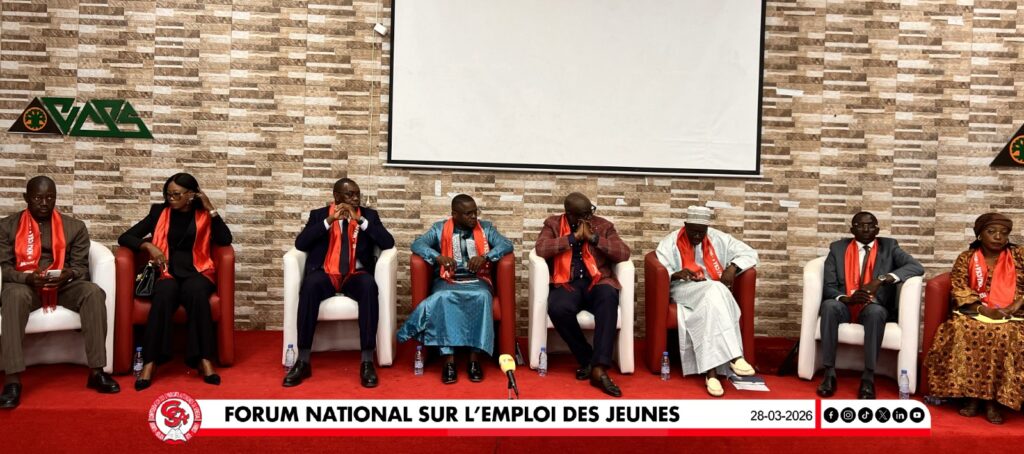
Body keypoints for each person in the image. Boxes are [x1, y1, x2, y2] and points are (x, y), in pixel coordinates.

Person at [0, 176, 120, 409]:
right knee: (13, 296)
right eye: (38, 198)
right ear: (26, 198)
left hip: (63, 285)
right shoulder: (6, 227)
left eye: (50, 197)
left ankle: (97, 371)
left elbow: (81, 267)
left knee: (93, 292)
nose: (45, 203)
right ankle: (12, 380)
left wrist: (69, 274)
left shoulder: (74, 227)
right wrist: (27, 278)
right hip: (25, 285)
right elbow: (3, 268)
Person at [118, 173, 232, 391]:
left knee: (197, 292)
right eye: (168, 194)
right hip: (165, 272)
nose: (171, 198)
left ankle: (204, 359)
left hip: (198, 271)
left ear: (191, 195)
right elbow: (125, 237)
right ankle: (150, 362)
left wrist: (211, 208)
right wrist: (148, 246)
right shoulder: (158, 212)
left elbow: (225, 240)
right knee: (164, 292)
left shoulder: (203, 214)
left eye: (177, 194)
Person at [283, 178, 394, 388]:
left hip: (355, 274)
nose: (355, 198)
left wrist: (361, 221)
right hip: (326, 273)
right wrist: (329, 220)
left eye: (357, 194)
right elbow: (301, 243)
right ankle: (303, 360)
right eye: (350, 194)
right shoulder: (318, 215)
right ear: (336, 196)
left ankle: (367, 361)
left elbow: (388, 242)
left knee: (369, 287)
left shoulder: (369, 216)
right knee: (309, 286)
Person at [397, 194, 513, 384]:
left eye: (475, 212)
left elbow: (506, 244)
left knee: (483, 296)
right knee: (443, 297)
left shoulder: (486, 228)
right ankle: (448, 361)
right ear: (455, 214)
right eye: (468, 214)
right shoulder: (440, 228)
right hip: (447, 279)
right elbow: (417, 244)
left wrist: (485, 256)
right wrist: (437, 257)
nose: (474, 217)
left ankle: (474, 360)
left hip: (478, 280)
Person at [925, 213, 1023, 425]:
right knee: (963, 329)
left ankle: (993, 401)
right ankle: (972, 397)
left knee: (1006, 334)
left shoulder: (1019, 256)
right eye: (991, 232)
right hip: (974, 311)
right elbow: (959, 288)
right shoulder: (966, 258)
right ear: (979, 234)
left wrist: (1014, 306)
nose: (998, 237)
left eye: (1003, 233)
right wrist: (984, 311)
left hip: (1013, 315)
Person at [817, 211, 923, 399]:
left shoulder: (889, 247)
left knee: (875, 313)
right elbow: (828, 286)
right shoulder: (837, 249)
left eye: (870, 225)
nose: (866, 229)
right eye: (860, 225)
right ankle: (829, 373)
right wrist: (846, 298)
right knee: (829, 306)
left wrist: (881, 279)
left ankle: (868, 377)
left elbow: (916, 267)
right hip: (846, 305)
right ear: (852, 230)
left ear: (877, 229)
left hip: (873, 305)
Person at [654, 206, 758, 397]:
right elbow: (660, 268)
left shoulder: (720, 239)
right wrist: (676, 274)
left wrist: (732, 268)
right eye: (693, 231)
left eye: (701, 232)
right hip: (684, 289)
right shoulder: (670, 242)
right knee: (717, 289)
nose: (697, 236)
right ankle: (735, 356)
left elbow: (750, 253)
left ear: (707, 229)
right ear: (685, 225)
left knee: (712, 300)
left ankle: (711, 374)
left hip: (713, 291)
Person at [535, 192, 631, 397]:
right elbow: (541, 249)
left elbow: (623, 253)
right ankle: (588, 358)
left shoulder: (603, 226)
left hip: (598, 281)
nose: (589, 217)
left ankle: (599, 368)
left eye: (590, 212)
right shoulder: (553, 224)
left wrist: (594, 239)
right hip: (567, 283)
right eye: (583, 215)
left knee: (609, 298)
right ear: (569, 214)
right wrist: (573, 238)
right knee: (558, 308)